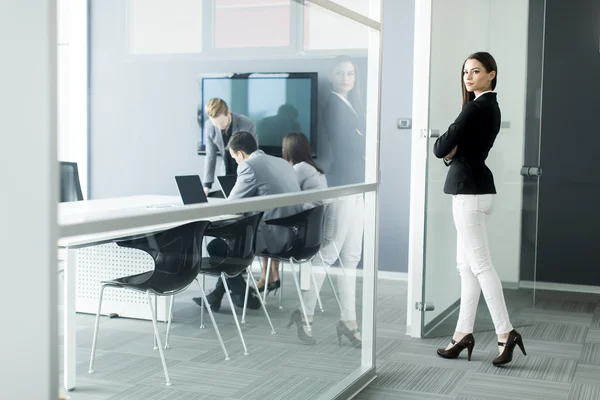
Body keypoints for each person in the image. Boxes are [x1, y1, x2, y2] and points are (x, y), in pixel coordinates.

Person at [433, 52, 526, 366]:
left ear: (491, 74)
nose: (468, 77)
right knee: (467, 268)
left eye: (475, 71)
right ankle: (463, 334)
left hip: (468, 194)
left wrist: (449, 151)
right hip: (479, 190)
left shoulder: (475, 107)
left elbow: (439, 147)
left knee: (481, 267)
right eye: (464, 72)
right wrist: (451, 151)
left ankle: (506, 332)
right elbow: (450, 149)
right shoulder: (490, 107)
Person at [193, 131, 303, 311]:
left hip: (272, 238)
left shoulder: (249, 166)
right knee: (231, 246)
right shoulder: (282, 162)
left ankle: (240, 293)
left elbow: (231, 207)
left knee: (217, 247)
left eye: (235, 157)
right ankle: (221, 296)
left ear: (241, 154)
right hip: (292, 234)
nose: (236, 161)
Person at [202, 98, 257, 197]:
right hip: (226, 173)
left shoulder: (247, 124)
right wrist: (207, 186)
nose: (219, 126)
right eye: (216, 124)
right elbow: (210, 156)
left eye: (222, 122)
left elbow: (254, 156)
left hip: (245, 171)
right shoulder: (209, 126)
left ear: (228, 113)